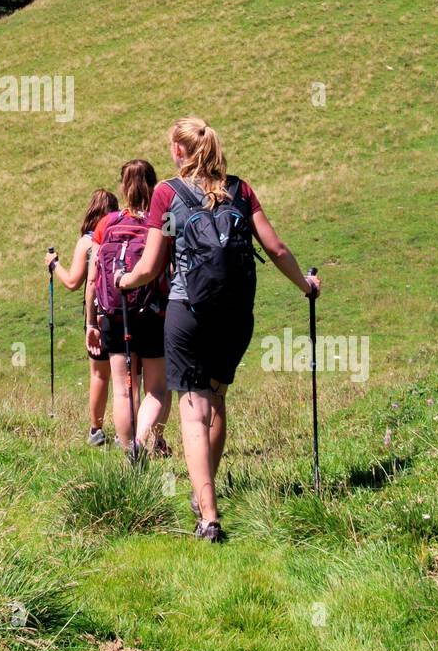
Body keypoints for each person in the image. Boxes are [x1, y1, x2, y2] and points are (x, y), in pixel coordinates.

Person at [116, 118, 320, 542]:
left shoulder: (166, 193)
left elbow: (151, 266)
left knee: (194, 409)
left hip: (187, 311)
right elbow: (276, 248)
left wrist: (124, 281)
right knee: (218, 398)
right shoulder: (240, 190)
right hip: (235, 315)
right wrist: (306, 286)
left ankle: (208, 515)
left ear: (177, 150)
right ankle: (204, 490)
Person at [85, 160, 171, 461]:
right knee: (157, 388)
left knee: (123, 390)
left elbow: (95, 277)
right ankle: (147, 439)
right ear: (154, 183)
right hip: (152, 313)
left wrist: (91, 323)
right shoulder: (163, 221)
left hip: (113, 313)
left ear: (123, 186)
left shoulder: (105, 224)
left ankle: (128, 454)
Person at [45, 189, 118, 446]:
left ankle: (96, 430)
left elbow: (74, 282)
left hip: (97, 312)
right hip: (125, 310)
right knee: (125, 377)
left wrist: (54, 265)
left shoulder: (88, 241)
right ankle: (127, 431)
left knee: (99, 374)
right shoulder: (121, 235)